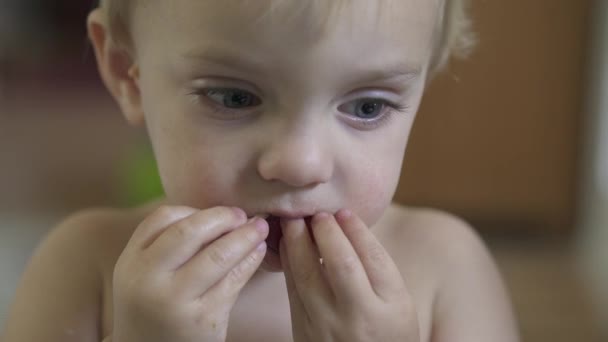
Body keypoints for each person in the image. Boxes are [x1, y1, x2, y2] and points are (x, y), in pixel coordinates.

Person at [2, 0, 520, 341]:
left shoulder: (447, 271)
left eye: (366, 107)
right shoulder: (86, 271)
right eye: (234, 97)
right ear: (128, 76)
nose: (300, 164)